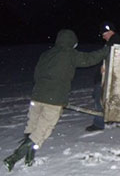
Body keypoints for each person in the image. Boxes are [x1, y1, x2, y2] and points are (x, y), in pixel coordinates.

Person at [3, 29, 109, 171]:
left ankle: (29, 159)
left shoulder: (46, 54)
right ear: (72, 42)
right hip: (54, 99)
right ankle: (13, 158)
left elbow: (36, 74)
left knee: (32, 127)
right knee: (42, 131)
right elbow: (89, 59)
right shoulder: (69, 54)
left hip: (37, 96)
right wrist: (105, 51)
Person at [85, 21, 120, 132]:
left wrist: (106, 68)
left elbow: (116, 58)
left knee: (99, 98)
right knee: (105, 98)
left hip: (107, 78)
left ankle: (99, 123)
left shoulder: (116, 42)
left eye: (104, 34)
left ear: (110, 31)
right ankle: (111, 118)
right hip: (106, 77)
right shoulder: (112, 42)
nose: (103, 37)